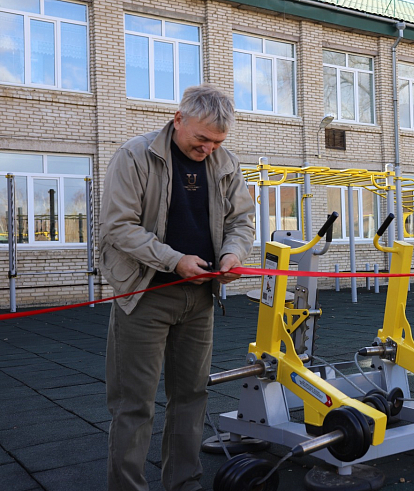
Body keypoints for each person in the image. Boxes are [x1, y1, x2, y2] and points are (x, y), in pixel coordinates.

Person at [100, 84, 255, 491]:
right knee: (134, 405)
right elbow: (118, 227)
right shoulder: (135, 155)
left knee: (191, 396)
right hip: (145, 295)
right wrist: (174, 260)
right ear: (178, 119)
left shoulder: (226, 162)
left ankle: (184, 483)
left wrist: (233, 256)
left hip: (201, 298)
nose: (208, 148)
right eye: (201, 139)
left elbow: (242, 221)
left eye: (218, 142)